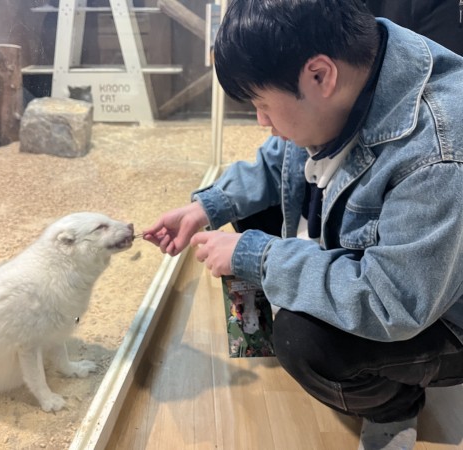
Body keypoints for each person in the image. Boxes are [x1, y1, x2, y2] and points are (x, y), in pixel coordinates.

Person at [143, 1, 463, 449]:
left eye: (262, 103)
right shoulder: (358, 68)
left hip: (435, 308)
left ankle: (393, 407)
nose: (262, 121)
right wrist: (206, 208)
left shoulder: (437, 153)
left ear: (319, 75)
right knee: (250, 209)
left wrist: (260, 257)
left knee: (304, 341)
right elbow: (281, 161)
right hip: (401, 268)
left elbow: (396, 301)